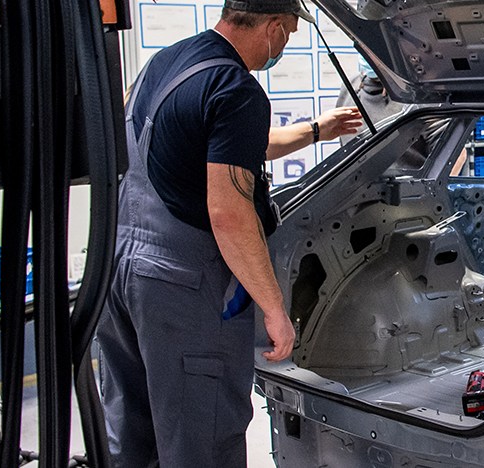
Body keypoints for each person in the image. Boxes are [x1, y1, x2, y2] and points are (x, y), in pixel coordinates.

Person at [95, 1, 362, 467]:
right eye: (292, 34)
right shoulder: (237, 90)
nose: (286, 44)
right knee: (204, 434)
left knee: (134, 434)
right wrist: (274, 308)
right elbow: (229, 212)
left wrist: (318, 130)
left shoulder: (169, 61)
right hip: (183, 290)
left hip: (119, 271)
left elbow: (218, 144)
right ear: (275, 28)